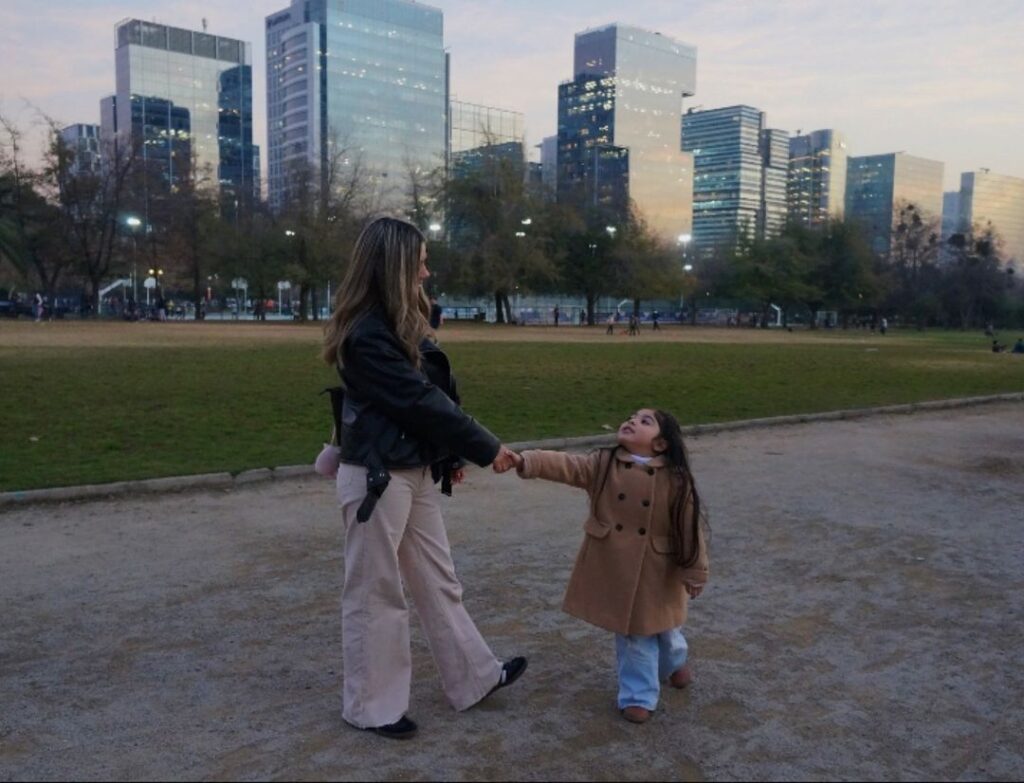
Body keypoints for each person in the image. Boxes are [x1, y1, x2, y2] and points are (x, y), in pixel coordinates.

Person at [321, 216, 526, 741]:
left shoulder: (402, 323)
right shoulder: (365, 334)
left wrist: (446, 454)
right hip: (378, 478)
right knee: (375, 592)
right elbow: (417, 402)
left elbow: (430, 401)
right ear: (394, 266)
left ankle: (474, 676)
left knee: (439, 580)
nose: (427, 270)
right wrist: (483, 446)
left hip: (410, 471)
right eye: (419, 262)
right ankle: (372, 706)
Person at [494, 408, 709, 724]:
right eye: (632, 416)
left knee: (665, 628)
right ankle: (639, 697)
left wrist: (695, 569)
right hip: (617, 566)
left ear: (661, 444)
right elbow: (568, 466)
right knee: (634, 633)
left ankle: (676, 663)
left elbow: (690, 527)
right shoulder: (604, 464)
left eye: (645, 421)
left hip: (658, 568)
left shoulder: (677, 480)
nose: (633, 420)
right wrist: (527, 460)